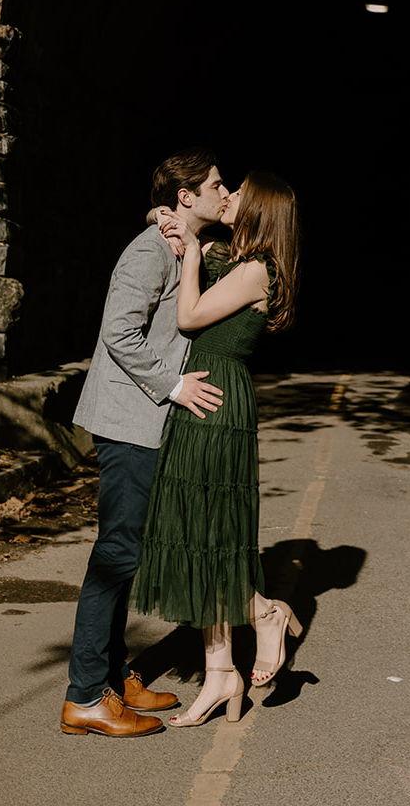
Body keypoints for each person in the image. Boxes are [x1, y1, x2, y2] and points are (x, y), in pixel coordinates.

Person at [59, 148, 231, 739]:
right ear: (186, 196)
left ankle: (109, 675)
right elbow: (119, 334)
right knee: (115, 555)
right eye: (215, 184)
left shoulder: (178, 243)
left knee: (127, 553)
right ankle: (85, 696)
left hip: (146, 421)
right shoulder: (150, 248)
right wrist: (174, 384)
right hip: (130, 420)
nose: (223, 190)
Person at [133, 171, 304, 727]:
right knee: (202, 529)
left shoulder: (258, 269)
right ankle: (221, 672)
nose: (227, 196)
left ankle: (264, 613)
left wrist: (187, 258)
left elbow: (189, 317)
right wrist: (173, 226)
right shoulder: (234, 254)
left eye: (238, 194)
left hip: (216, 399)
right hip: (204, 395)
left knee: (208, 531)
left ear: (259, 211)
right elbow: (176, 230)